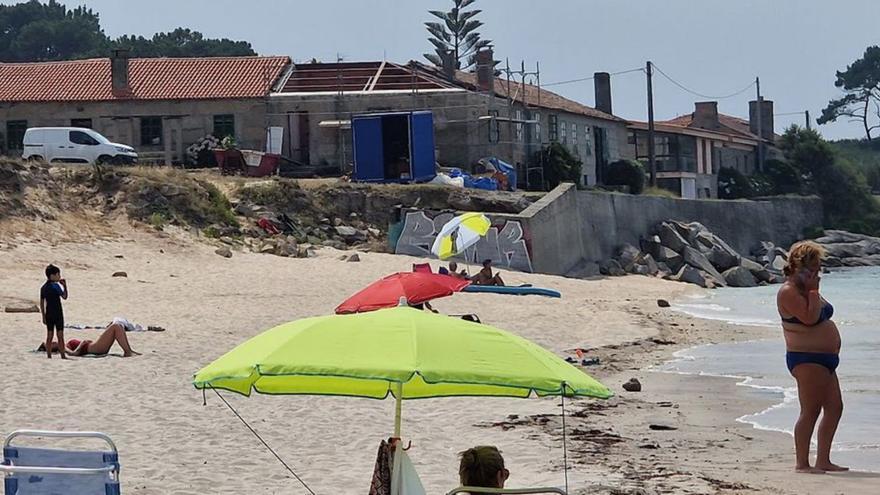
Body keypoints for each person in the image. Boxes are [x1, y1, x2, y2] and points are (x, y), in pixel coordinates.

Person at [777, 241, 847, 473]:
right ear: (799, 267)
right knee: (810, 410)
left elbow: (820, 311)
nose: (817, 273)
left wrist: (812, 289)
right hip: (806, 358)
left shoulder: (806, 288)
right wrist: (813, 290)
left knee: (835, 407)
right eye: (813, 268)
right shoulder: (788, 292)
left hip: (825, 360)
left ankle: (824, 460)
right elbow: (809, 318)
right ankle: (802, 463)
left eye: (819, 269)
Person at [39, 264, 68, 359]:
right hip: (58, 313)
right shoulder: (56, 286)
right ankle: (63, 356)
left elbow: (42, 303)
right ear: (52, 276)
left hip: (49, 314)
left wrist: (43, 316)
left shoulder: (43, 288)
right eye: (58, 274)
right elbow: (64, 296)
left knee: (49, 335)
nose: (59, 276)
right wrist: (65, 286)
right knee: (60, 336)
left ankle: (49, 356)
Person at [66, 321, 140, 358]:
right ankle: (128, 351)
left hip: (94, 347)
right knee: (115, 326)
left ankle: (128, 350)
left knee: (116, 326)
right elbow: (74, 353)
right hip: (94, 349)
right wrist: (82, 343)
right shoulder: (63, 347)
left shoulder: (62, 345)